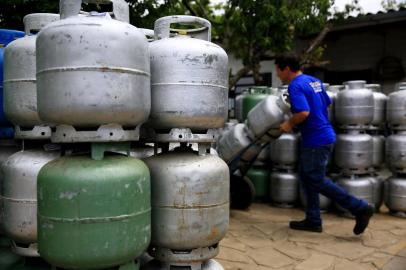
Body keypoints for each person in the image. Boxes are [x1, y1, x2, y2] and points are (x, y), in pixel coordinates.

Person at [275, 53, 374, 235]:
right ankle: (313, 220)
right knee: (307, 178)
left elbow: (303, 112)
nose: (277, 75)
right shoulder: (314, 81)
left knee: (316, 180)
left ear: (286, 69)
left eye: (278, 70)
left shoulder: (295, 85)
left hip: (316, 140)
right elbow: (326, 103)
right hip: (323, 135)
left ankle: (359, 207)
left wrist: (289, 123)